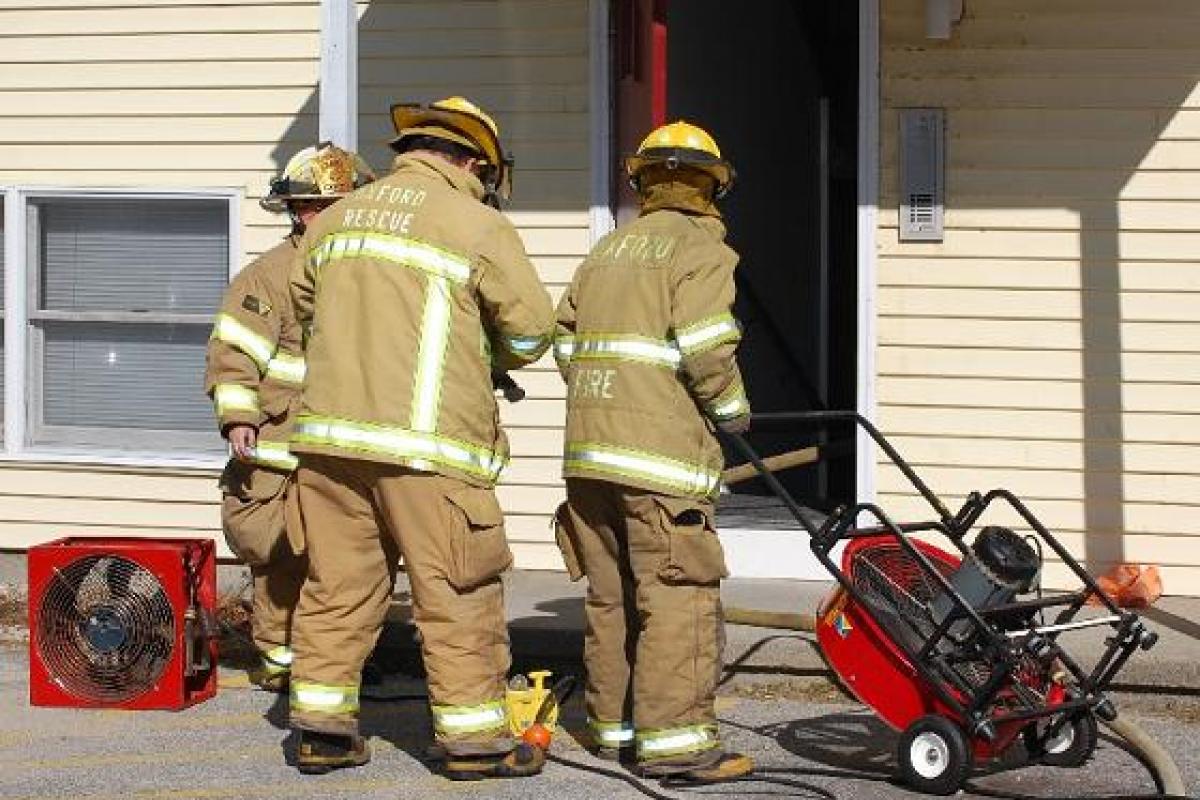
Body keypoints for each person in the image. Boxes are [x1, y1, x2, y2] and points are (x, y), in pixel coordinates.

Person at [286, 96, 555, 778]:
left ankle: (322, 731)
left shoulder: (335, 219)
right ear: (470, 160)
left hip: (329, 446)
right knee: (458, 591)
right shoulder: (476, 224)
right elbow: (529, 333)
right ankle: (476, 744)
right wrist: (486, 351)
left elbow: (305, 306)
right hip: (428, 451)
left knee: (337, 586)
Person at [552, 121, 754, 783]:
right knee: (678, 596)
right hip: (661, 462)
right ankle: (679, 747)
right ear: (709, 186)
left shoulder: (609, 249)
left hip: (588, 456)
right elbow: (707, 349)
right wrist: (733, 416)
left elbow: (564, 341)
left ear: (645, 181)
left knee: (610, 599)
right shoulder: (701, 249)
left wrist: (604, 402)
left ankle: (613, 731)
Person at [204, 143, 375, 692]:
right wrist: (238, 419)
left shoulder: (373, 273)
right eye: (307, 207)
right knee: (279, 562)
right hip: (281, 448)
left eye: (324, 205)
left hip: (345, 451)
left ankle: (332, 665)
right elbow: (234, 354)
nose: (314, 216)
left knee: (343, 563)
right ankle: (279, 663)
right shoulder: (270, 276)